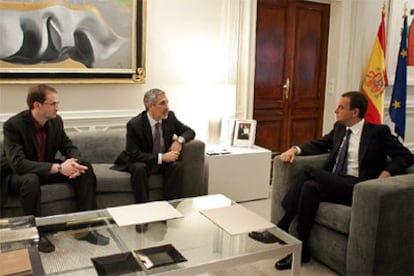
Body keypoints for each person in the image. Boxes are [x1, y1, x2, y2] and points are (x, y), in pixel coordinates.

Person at [250, 91, 413, 270]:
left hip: (360, 188)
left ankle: (280, 227)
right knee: (309, 187)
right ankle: (301, 249)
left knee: (308, 172)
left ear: (355, 112)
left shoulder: (377, 132)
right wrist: (295, 149)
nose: (336, 110)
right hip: (337, 182)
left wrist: (387, 172)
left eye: (341, 107)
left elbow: (406, 156)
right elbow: (319, 144)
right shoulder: (340, 128)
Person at [1, 84, 109, 253]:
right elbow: (18, 164)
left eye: (58, 103)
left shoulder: (55, 121)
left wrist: (73, 162)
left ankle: (84, 228)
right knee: (31, 179)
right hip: (19, 174)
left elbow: (68, 146)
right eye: (53, 104)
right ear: (37, 105)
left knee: (85, 167)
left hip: (47, 169)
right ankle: (36, 233)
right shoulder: (13, 125)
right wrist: (59, 168)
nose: (58, 108)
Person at [113, 88, 195, 232]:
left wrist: (179, 141)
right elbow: (134, 154)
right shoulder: (135, 124)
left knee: (176, 166)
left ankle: (169, 212)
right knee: (139, 168)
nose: (167, 107)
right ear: (150, 106)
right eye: (162, 103)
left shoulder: (170, 117)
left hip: (162, 160)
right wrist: (161, 157)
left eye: (167, 102)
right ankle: (143, 215)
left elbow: (190, 131)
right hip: (142, 160)